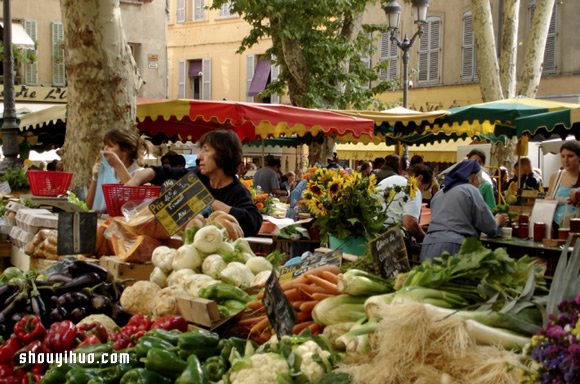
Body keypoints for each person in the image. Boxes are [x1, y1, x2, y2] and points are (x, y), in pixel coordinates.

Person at [125, 130, 263, 237]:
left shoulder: (237, 191)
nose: (199, 157)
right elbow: (164, 172)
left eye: (206, 150)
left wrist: (209, 202)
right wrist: (140, 176)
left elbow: (254, 221)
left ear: (224, 155)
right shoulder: (197, 176)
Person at [420, 160, 508, 260]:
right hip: (454, 247)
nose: (479, 183)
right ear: (473, 178)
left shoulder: (439, 195)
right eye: (479, 179)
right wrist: (498, 221)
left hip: (428, 247)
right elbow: (489, 227)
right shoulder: (470, 190)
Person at [86, 128, 153, 212]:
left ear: (125, 150)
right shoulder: (110, 172)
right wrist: (95, 178)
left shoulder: (140, 173)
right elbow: (89, 205)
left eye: (110, 146)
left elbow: (134, 204)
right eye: (105, 145)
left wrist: (117, 163)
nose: (105, 149)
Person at [376, 164, 433, 243]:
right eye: (424, 188)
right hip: (388, 238)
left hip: (371, 230)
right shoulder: (413, 188)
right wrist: (424, 239)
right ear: (420, 178)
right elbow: (410, 223)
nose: (422, 193)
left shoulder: (391, 179)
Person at [547, 141, 580, 233]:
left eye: (570, 156)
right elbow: (549, 196)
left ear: (579, 158)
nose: (566, 160)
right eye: (563, 156)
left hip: (577, 228)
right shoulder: (556, 176)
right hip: (557, 226)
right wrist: (549, 200)